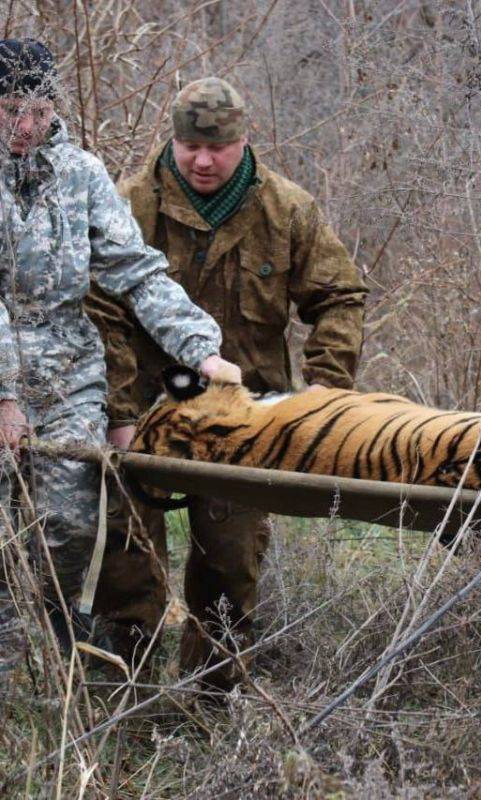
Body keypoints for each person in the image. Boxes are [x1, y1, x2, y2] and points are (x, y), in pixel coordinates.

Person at [86, 76, 367, 687]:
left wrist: (324, 399)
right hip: (141, 418)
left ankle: (213, 707)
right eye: (190, 147)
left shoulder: (286, 208)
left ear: (245, 140)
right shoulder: (129, 203)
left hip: (246, 424)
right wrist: (118, 414)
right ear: (174, 140)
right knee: (126, 572)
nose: (203, 160)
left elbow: (340, 297)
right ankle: (121, 708)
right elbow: (101, 311)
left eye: (218, 148)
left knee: (230, 572)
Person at [0, 41, 240, 651]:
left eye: (38, 111)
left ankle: (55, 652)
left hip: (67, 370)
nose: (24, 126)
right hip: (3, 364)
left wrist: (199, 348)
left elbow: (136, 271)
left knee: (70, 524)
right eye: (8, 110)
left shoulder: (81, 174)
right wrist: (3, 395)